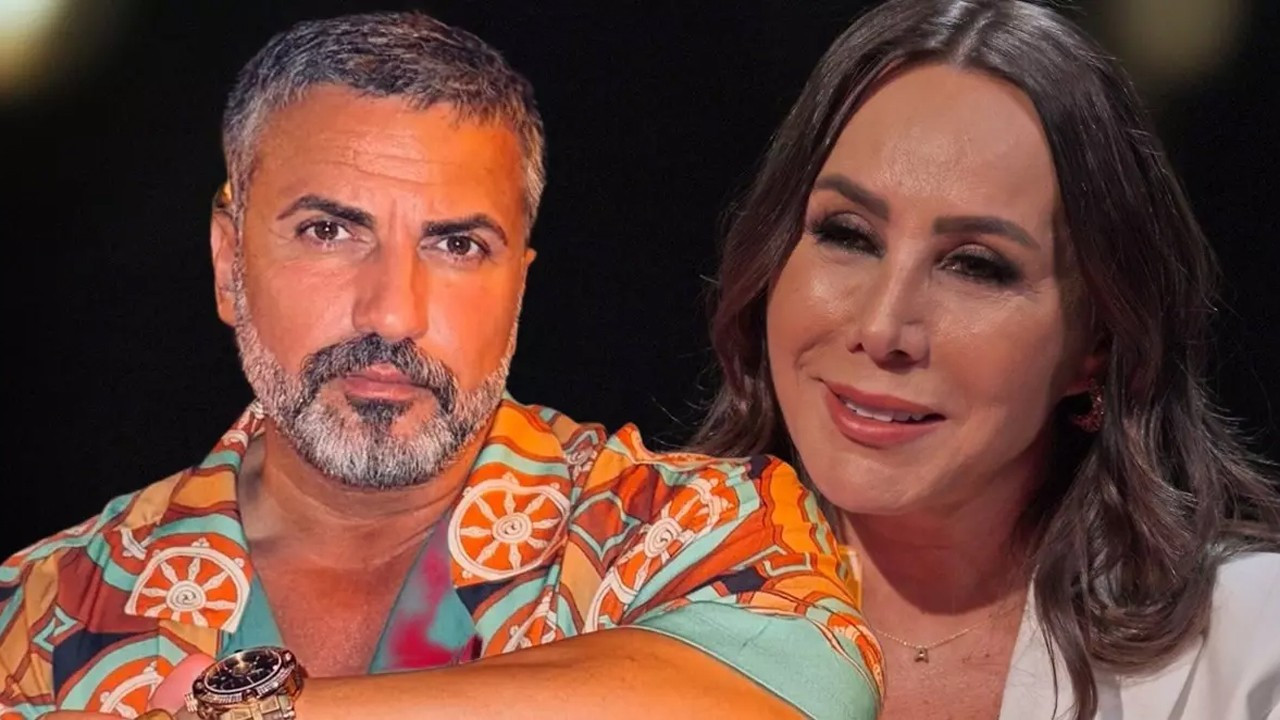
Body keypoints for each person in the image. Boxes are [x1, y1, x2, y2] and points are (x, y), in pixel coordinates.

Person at [0, 12, 883, 720]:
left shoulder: (687, 525)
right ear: (230, 265)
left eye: (457, 245)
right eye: (329, 231)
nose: (393, 313)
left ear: (518, 286)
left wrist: (271, 711)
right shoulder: (40, 612)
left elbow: (804, 691)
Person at [691, 0, 1280, 718]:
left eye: (975, 266)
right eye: (848, 234)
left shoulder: (1252, 654)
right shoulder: (603, 597)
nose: (882, 327)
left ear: (1096, 344)